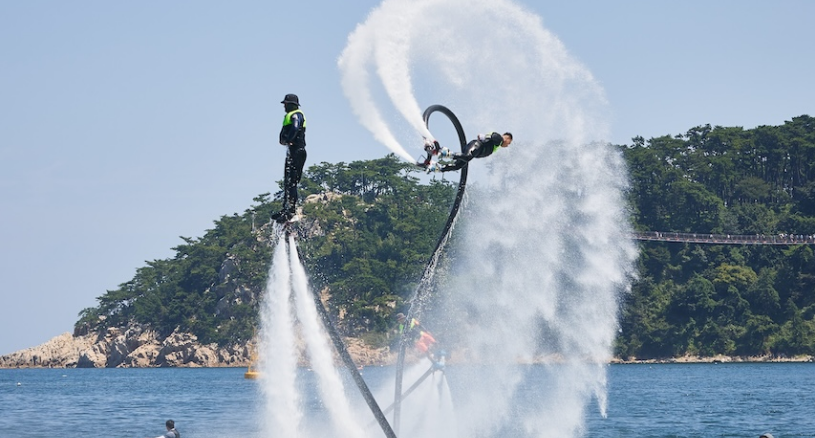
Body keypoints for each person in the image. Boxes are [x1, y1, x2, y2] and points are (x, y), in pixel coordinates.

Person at [272, 93, 307, 223]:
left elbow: (295, 127)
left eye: (286, 104)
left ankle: (291, 210)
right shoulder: (289, 116)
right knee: (287, 181)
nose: (284, 107)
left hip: (298, 151)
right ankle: (285, 208)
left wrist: (288, 139)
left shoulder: (296, 115)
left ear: (292, 105)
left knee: (292, 181)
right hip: (292, 152)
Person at [423, 131, 513, 173]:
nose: (508, 145)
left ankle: (436, 167)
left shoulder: (498, 144)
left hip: (475, 152)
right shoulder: (500, 139)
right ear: (507, 138)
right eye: (509, 143)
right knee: (467, 157)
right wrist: (485, 137)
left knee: (458, 166)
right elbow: (493, 136)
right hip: (476, 146)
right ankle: (443, 152)